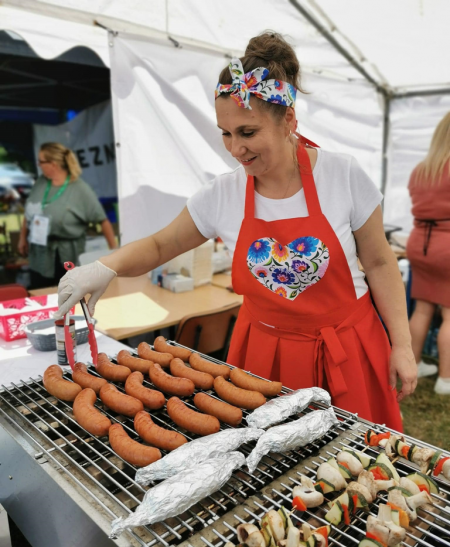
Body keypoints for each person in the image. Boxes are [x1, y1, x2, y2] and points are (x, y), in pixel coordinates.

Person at [56, 33, 416, 429]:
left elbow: (381, 263)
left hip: (346, 346)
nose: (234, 148)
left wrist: (401, 344)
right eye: (225, 133)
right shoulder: (222, 194)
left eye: (247, 132)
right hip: (263, 355)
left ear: (289, 121)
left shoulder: (343, 175)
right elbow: (162, 243)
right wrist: (104, 266)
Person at [18, 142, 117, 288]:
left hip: (67, 253)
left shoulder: (79, 188)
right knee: (40, 292)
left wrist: (114, 255)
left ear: (53, 164)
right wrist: (22, 238)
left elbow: (103, 220)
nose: (38, 164)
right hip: (40, 255)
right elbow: (30, 211)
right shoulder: (41, 183)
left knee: (67, 296)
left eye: (41, 161)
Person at [406, 112, 450, 395]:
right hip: (446, 247)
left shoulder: (421, 170)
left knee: (422, 309)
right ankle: (446, 380)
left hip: (419, 243)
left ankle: (415, 363)